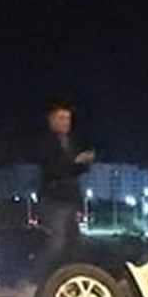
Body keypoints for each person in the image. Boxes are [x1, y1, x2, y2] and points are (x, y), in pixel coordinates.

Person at [37, 101, 95, 270]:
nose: (66, 122)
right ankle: (34, 276)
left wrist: (84, 162)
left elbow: (72, 171)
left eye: (68, 118)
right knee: (57, 243)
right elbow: (54, 168)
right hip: (54, 200)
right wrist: (76, 162)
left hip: (69, 199)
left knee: (75, 245)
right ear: (52, 120)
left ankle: (67, 277)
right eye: (61, 118)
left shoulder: (70, 142)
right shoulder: (46, 142)